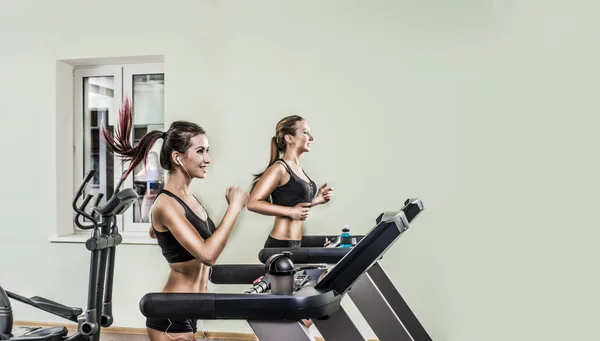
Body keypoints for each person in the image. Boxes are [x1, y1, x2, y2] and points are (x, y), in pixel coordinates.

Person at [102, 97, 249, 341]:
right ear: (179, 158)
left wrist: (161, 230)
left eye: (207, 150)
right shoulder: (167, 204)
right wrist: (234, 208)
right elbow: (208, 255)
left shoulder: (186, 197)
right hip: (173, 313)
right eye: (200, 151)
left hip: (192, 308)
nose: (208, 159)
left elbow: (157, 231)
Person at [247, 115, 333, 248]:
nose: (311, 137)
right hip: (280, 245)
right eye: (305, 132)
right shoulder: (279, 168)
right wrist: (290, 212)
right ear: (289, 138)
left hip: (296, 244)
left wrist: (317, 200)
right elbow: (253, 203)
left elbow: (296, 205)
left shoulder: (298, 169)